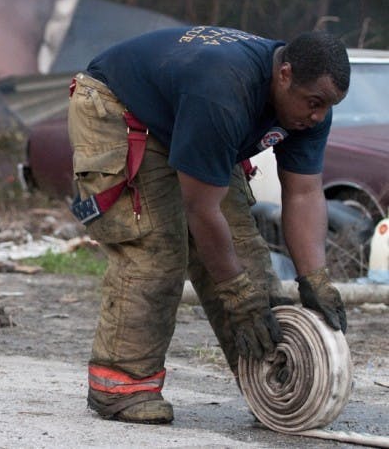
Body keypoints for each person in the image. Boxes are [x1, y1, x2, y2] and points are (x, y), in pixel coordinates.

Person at [67, 25, 350, 424]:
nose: (318, 116)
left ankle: (271, 383)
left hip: (184, 113)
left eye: (328, 106)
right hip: (120, 108)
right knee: (158, 248)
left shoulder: (309, 105)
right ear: (284, 74)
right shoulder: (223, 90)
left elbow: (303, 194)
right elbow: (200, 210)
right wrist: (237, 296)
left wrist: (315, 279)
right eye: (314, 103)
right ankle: (122, 386)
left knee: (245, 254)